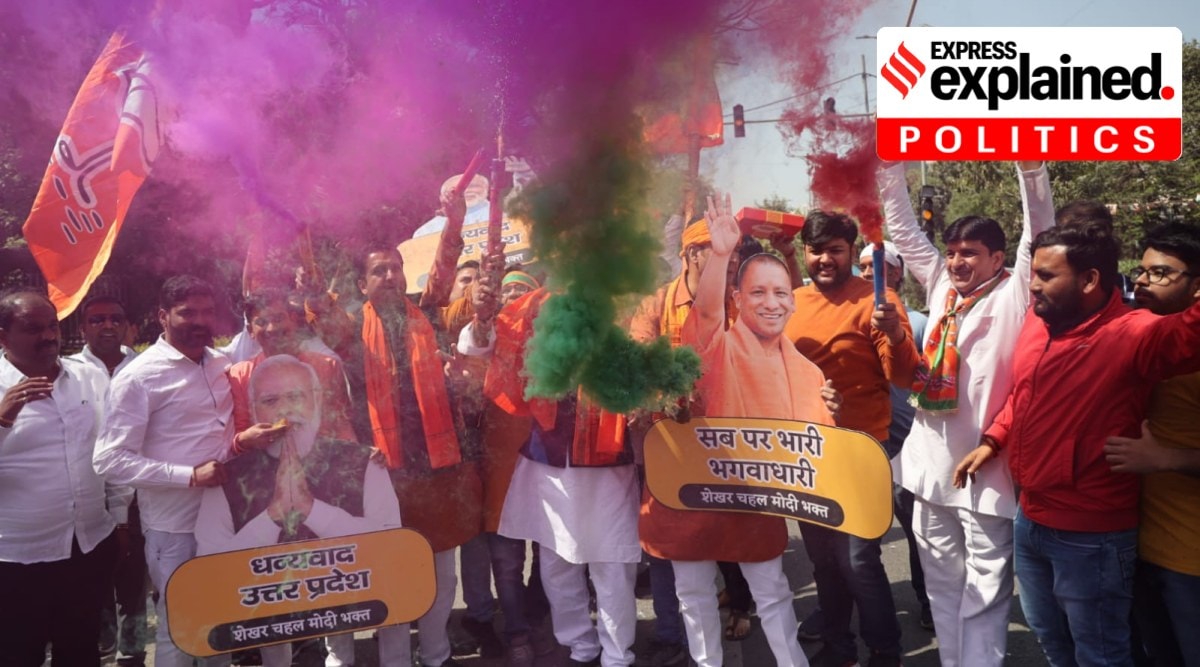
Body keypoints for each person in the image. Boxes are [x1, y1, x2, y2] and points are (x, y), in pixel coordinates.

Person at [954, 222, 1200, 667]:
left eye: (1047, 276)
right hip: (1030, 518)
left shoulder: (1135, 333)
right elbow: (1026, 394)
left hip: (1092, 535)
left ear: (1089, 280)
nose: (1033, 285)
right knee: (1052, 640)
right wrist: (995, 438)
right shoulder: (1040, 319)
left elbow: (1191, 332)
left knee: (1100, 654)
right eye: (1034, 273)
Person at [640, 195, 837, 667]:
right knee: (693, 591)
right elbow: (637, 370)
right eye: (716, 251)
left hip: (747, 468)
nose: (729, 263)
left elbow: (782, 364)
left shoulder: (746, 303)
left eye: (731, 254)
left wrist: (820, 401)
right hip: (683, 471)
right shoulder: (654, 307)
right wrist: (664, 395)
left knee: (770, 586)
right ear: (691, 254)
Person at [876, 160, 1053, 667]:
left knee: (985, 595)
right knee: (942, 590)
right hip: (930, 471)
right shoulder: (941, 287)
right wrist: (890, 171)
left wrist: (1030, 170)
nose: (955, 262)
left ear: (998, 257)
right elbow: (905, 233)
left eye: (969, 253)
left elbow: (1039, 228)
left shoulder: (1015, 292)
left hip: (986, 471)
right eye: (952, 252)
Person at [459, 273, 641, 667]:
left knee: (612, 562)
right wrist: (483, 316)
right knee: (557, 562)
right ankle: (580, 647)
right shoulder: (533, 305)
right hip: (550, 454)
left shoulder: (624, 299)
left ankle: (616, 655)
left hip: (609, 458)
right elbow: (480, 344)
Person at [195, 355, 402, 667]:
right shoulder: (228, 478)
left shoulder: (363, 463)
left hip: (348, 600)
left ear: (317, 401)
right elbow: (210, 574)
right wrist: (272, 517)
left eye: (295, 397)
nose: (285, 411)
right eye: (270, 401)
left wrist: (313, 511)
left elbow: (393, 553)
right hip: (267, 610)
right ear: (253, 411)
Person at [784, 211, 920, 667]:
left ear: (851, 251)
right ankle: (839, 647)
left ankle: (885, 650)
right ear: (804, 252)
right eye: (815, 250)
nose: (825, 259)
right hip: (806, 453)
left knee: (858, 560)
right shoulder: (792, 301)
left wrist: (895, 332)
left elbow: (904, 376)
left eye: (835, 250)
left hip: (862, 449)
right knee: (823, 560)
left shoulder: (878, 300)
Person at [341, 241, 483, 667]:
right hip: (382, 473)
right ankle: (397, 660)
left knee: (443, 575)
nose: (391, 277)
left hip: (437, 468)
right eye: (379, 270)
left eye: (396, 268)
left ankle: (436, 654)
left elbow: (444, 274)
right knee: (393, 575)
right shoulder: (350, 330)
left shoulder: (428, 317)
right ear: (361, 284)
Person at [94, 275, 234, 667]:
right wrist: (188, 475)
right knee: (179, 630)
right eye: (187, 312)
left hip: (228, 522)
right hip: (174, 529)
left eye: (207, 312)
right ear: (162, 316)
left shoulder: (222, 363)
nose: (199, 321)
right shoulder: (140, 376)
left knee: (221, 627)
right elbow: (108, 459)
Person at [0, 289, 125, 667]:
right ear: (3, 336)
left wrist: (120, 518)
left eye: (52, 326)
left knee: (81, 651)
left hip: (88, 546)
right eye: (32, 329)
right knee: (18, 655)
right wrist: (3, 417)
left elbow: (111, 448)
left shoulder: (88, 377)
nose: (48, 336)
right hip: (17, 558)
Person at [1102, 222, 1200, 666]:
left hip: (1190, 561)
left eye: (1160, 273)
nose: (1141, 281)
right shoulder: (1138, 341)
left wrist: (1164, 458)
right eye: (1140, 271)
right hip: (1136, 549)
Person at [68, 295, 149, 665]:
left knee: (135, 582)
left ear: (128, 326)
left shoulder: (146, 367)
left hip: (143, 495)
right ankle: (101, 650)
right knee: (95, 583)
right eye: (97, 319)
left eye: (116, 319)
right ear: (83, 328)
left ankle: (132, 654)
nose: (107, 325)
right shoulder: (67, 373)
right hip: (89, 498)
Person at [857, 242, 932, 632]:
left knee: (917, 531)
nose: (869, 273)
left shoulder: (917, 322)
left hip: (905, 445)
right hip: (865, 445)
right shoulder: (853, 317)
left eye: (878, 266)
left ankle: (928, 600)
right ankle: (867, 614)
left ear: (898, 273)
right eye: (864, 267)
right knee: (860, 537)